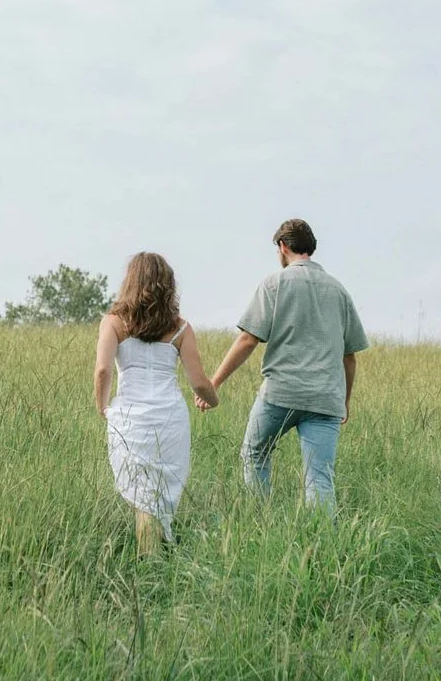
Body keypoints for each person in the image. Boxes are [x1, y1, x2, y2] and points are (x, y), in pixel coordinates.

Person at [207, 218, 367, 510]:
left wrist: (214, 383)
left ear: (282, 247)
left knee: (255, 454)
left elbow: (247, 341)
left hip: (280, 394)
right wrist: (344, 401)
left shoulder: (274, 283)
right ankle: (323, 547)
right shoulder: (339, 290)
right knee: (319, 478)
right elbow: (349, 356)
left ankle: (260, 522)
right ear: (310, 248)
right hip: (326, 399)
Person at [93, 252, 220, 554]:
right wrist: (213, 400)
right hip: (169, 419)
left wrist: (103, 406)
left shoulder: (113, 322)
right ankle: (157, 560)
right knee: (159, 494)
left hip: (130, 418)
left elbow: (103, 369)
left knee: (143, 497)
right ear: (168, 285)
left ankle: (149, 565)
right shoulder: (180, 328)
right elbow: (200, 382)